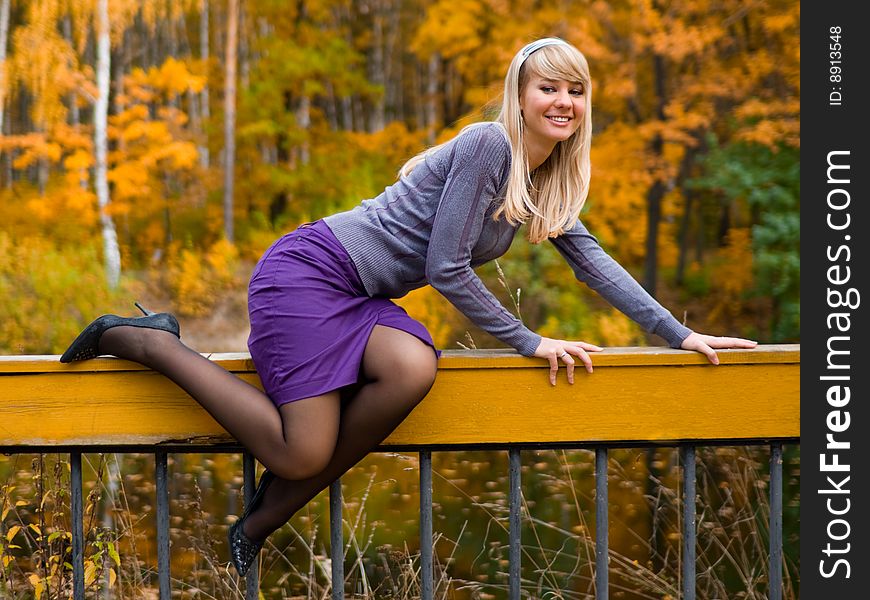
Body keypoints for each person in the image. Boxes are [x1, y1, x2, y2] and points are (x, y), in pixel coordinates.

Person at [60, 37, 757, 577]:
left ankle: (261, 515)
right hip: (309, 274)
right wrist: (528, 341)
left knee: (413, 368)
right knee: (302, 453)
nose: (564, 102)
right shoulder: (489, 145)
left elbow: (593, 262)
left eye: (576, 91)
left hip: (359, 296)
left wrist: (680, 333)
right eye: (550, 87)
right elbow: (443, 269)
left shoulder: (543, 181)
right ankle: (148, 344)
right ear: (521, 93)